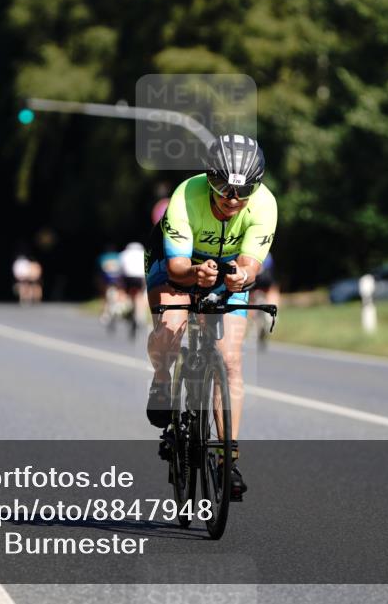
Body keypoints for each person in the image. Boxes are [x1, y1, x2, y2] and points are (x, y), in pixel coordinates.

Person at [143, 134, 276, 501]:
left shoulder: (264, 205)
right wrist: (194, 276)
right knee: (171, 326)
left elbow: (251, 266)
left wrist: (241, 278)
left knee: (230, 359)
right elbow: (177, 267)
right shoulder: (186, 195)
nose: (232, 199)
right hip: (177, 260)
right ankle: (160, 378)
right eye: (222, 187)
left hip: (228, 265)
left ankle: (226, 457)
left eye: (243, 190)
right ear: (208, 178)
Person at [119, 241, 148, 333]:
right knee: (139, 295)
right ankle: (139, 316)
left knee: (127, 294)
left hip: (128, 277)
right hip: (140, 278)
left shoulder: (123, 254)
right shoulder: (143, 253)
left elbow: (120, 268)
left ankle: (128, 309)